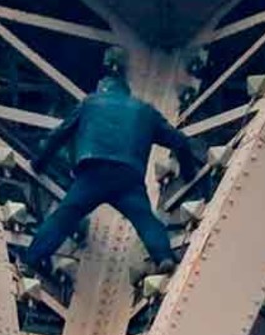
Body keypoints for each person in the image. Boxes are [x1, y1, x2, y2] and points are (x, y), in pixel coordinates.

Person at [22, 74, 199, 275]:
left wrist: (39, 163)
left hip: (92, 172)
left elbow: (59, 134)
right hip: (128, 177)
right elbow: (179, 141)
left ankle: (32, 259)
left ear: (103, 88)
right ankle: (164, 257)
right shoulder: (145, 111)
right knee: (145, 220)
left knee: (65, 216)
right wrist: (189, 172)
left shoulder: (90, 103)